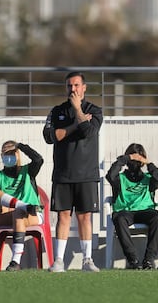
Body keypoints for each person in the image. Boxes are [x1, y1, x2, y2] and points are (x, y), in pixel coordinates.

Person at [43, 71, 103, 272]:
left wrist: (78, 110)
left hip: (87, 174)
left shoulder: (95, 110)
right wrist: (74, 124)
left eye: (77, 85)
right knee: (63, 216)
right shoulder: (56, 111)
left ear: (84, 87)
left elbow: (88, 132)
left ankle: (87, 260)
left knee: (85, 217)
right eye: (69, 86)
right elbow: (50, 136)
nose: (73, 89)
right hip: (63, 174)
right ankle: (58, 260)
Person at [0, 140, 44, 271]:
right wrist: (15, 205)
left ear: (18, 154)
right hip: (7, 214)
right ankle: (20, 205)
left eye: (12, 153)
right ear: (1, 156)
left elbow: (39, 159)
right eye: (5, 153)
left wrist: (21, 146)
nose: (8, 156)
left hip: (32, 214)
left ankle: (15, 261)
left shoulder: (28, 171)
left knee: (19, 213)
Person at [106, 143, 158, 269]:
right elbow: (110, 175)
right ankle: (133, 260)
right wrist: (125, 159)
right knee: (119, 219)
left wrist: (148, 163)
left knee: (157, 218)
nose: (135, 161)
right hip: (125, 212)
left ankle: (148, 260)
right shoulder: (120, 178)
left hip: (145, 211)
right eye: (133, 158)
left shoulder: (148, 178)